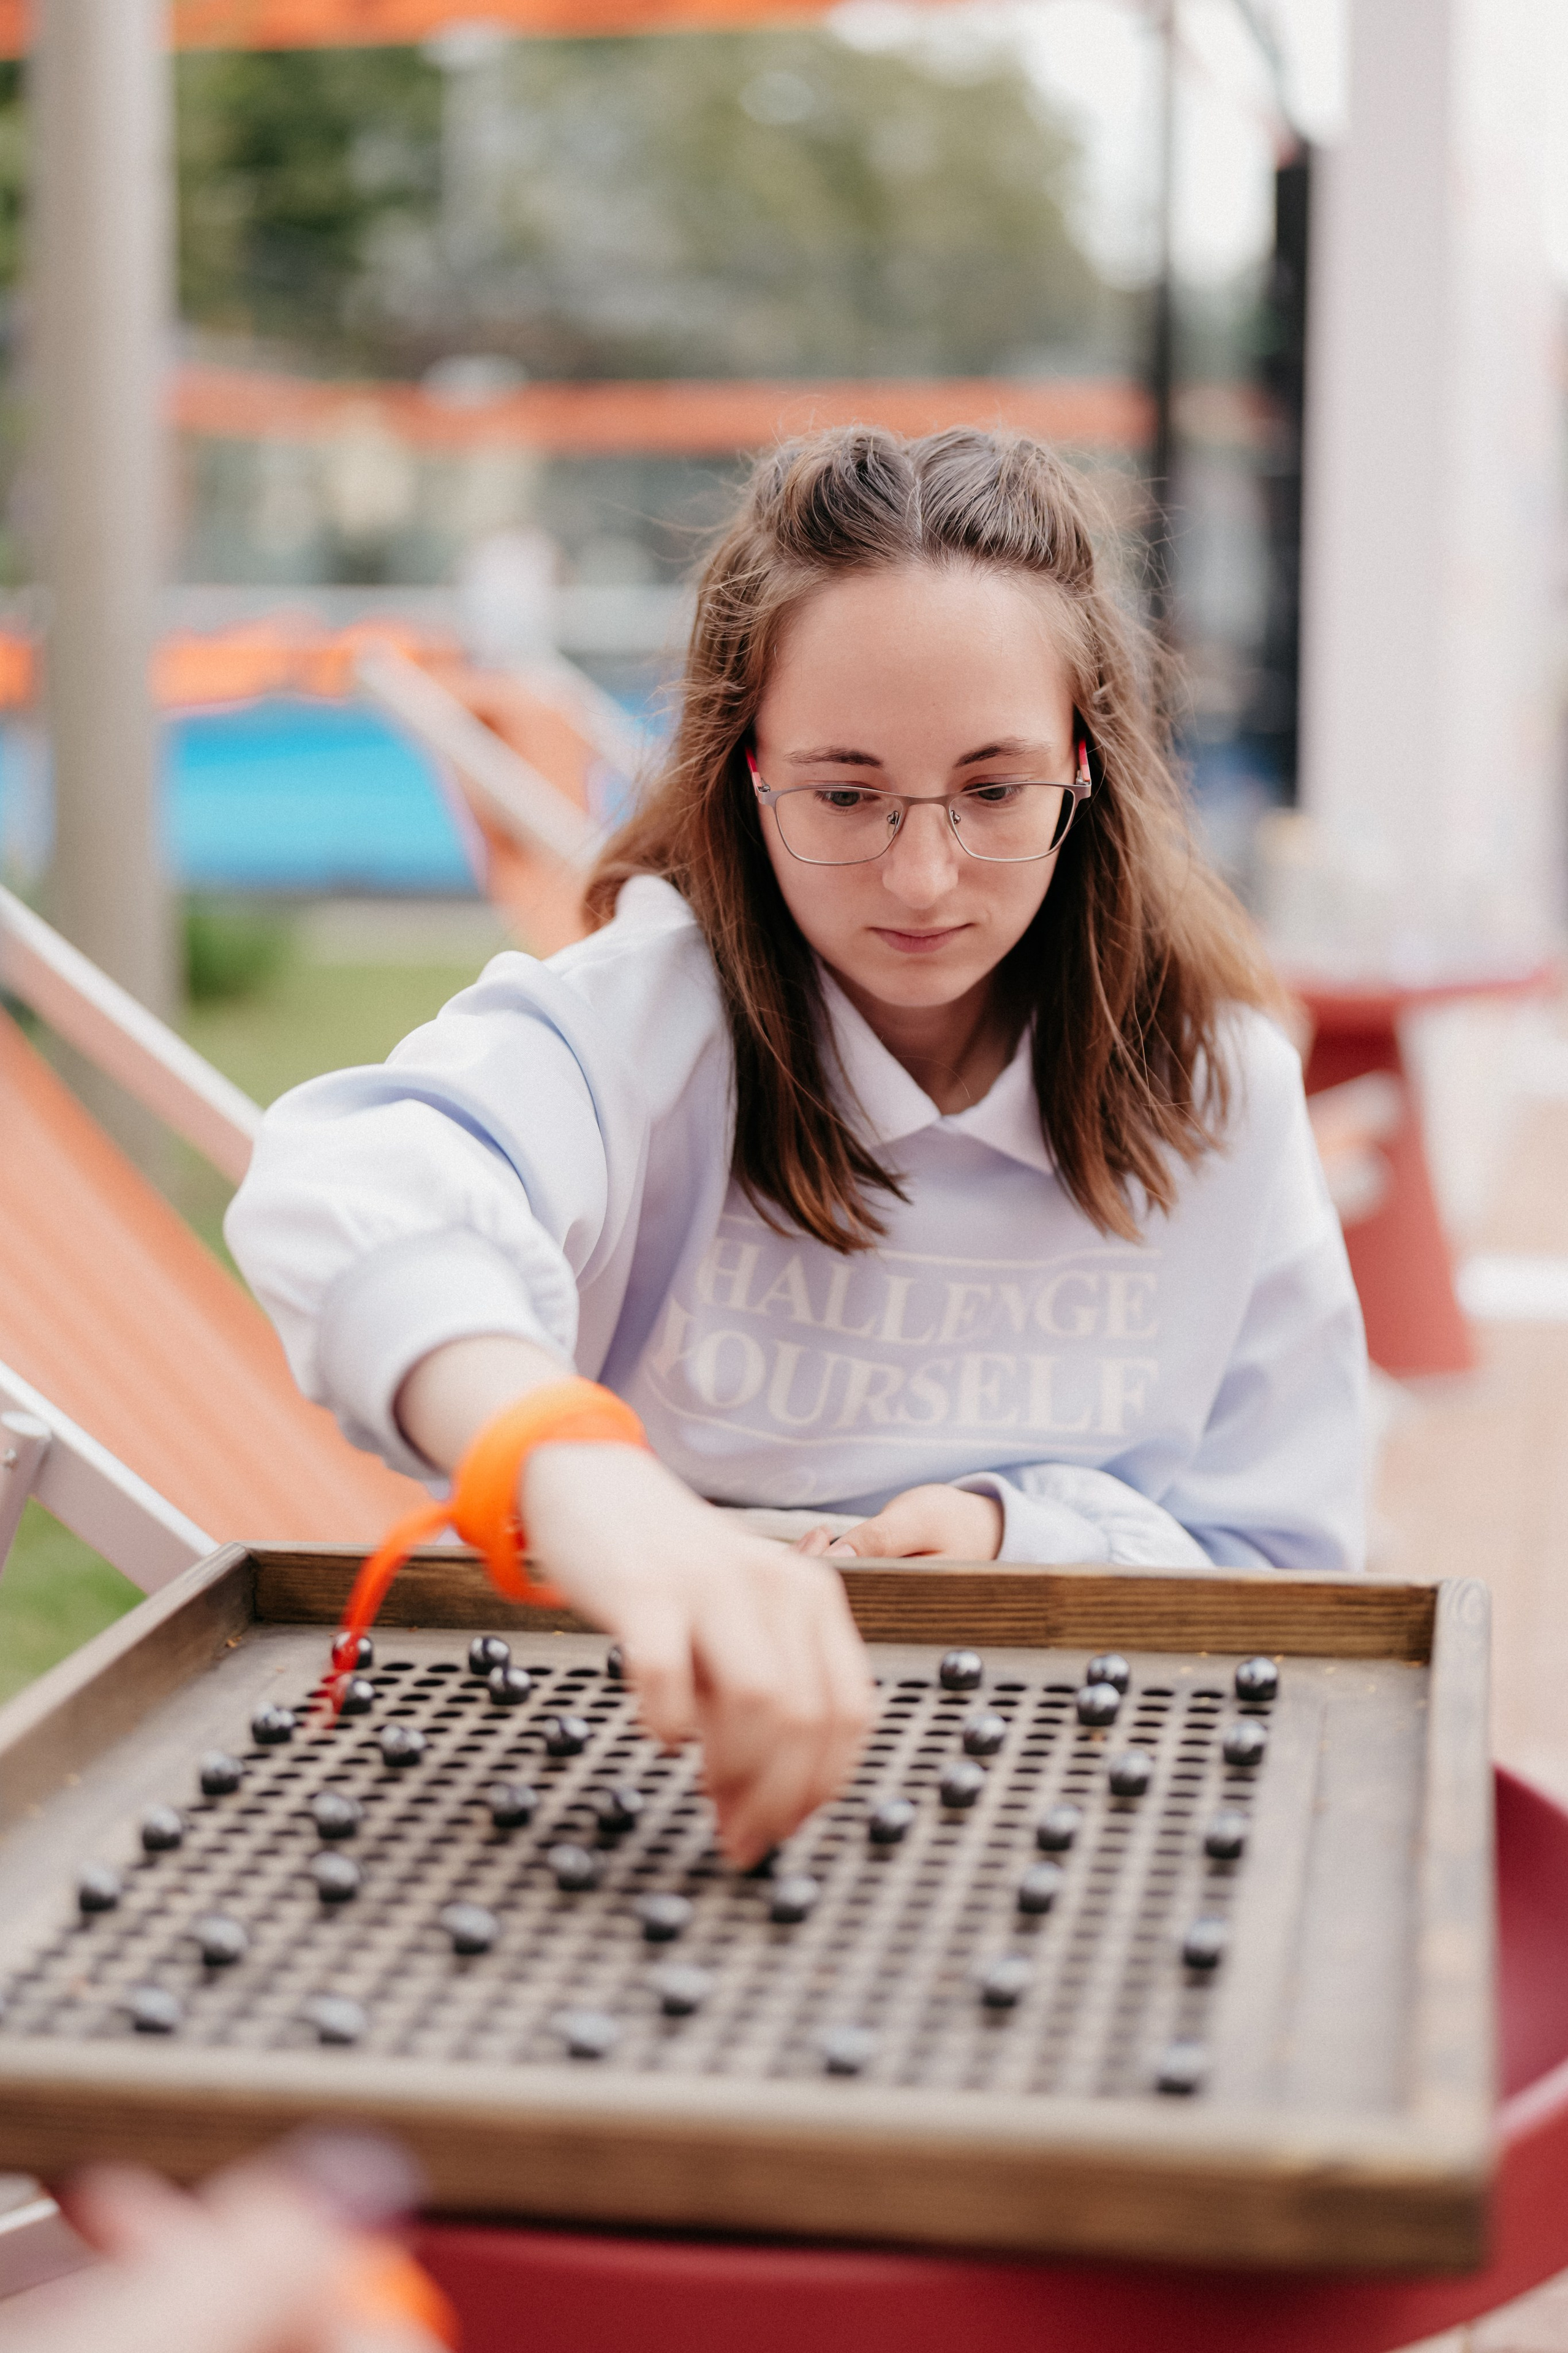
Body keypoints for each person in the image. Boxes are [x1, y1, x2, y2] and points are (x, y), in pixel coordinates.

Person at [227, 426, 1366, 1868]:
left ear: (1086, 772)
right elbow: (347, 1187)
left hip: (1087, 1794)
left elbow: (1295, 1575)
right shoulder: (648, 1021)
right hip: (650, 1779)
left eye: (993, 789)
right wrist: (588, 1482)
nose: (921, 875)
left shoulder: (1218, 1093)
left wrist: (1021, 1532)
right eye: (842, 793)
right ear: (742, 773)